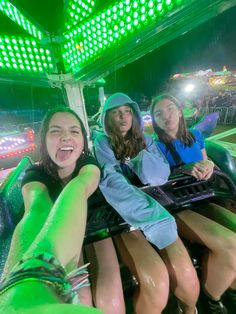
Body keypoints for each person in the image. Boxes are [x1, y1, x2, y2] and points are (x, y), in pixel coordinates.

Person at [93, 93, 200, 314]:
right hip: (123, 212)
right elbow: (111, 180)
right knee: (155, 281)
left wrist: (138, 157)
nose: (123, 118)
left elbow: (159, 175)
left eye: (127, 112)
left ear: (134, 115)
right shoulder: (102, 142)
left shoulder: (145, 139)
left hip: (154, 203)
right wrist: (153, 217)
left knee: (186, 275)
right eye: (115, 113)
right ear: (107, 118)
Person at [0, 107, 105, 314]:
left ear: (83, 140)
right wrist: (24, 278)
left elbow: (80, 186)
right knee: (82, 299)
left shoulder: (88, 164)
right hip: (58, 233)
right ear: (44, 140)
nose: (66, 137)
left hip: (94, 228)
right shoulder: (35, 173)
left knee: (111, 299)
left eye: (74, 131)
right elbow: (37, 210)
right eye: (56, 131)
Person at [150, 93, 236, 314]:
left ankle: (230, 287)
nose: (166, 116)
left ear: (179, 111)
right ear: (154, 120)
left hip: (203, 199)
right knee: (231, 244)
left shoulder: (196, 136)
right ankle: (212, 299)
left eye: (170, 109)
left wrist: (207, 164)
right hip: (177, 206)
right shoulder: (155, 147)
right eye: (159, 114)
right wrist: (181, 170)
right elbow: (155, 179)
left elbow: (205, 159)